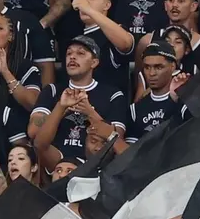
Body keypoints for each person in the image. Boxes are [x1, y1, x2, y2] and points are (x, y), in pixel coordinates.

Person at [29, 36, 128, 166]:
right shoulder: (52, 90)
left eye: (80, 53)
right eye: (69, 53)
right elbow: (33, 131)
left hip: (95, 162)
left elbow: (117, 139)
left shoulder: (112, 94)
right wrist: (60, 108)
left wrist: (89, 112)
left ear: (94, 62)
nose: (72, 57)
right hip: (58, 161)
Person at [126, 42, 187, 144]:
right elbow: (131, 151)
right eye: (147, 67)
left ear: (172, 66)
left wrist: (175, 100)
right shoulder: (135, 110)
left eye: (158, 67)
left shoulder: (185, 100)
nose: (151, 73)